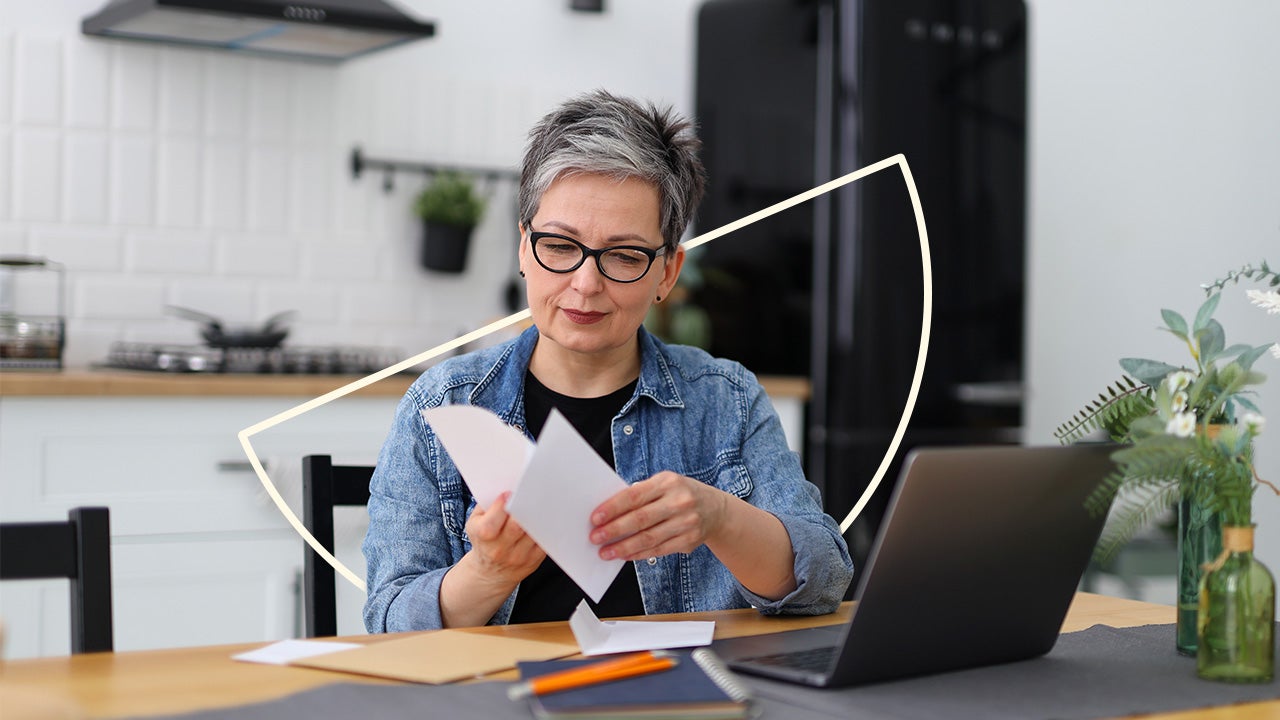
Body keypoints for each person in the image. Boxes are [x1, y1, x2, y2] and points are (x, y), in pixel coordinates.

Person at [363, 89, 853, 632]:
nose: (586, 283)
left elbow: (826, 581)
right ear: (524, 247)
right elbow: (389, 626)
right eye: (560, 246)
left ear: (667, 272)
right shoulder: (443, 404)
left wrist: (720, 517)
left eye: (624, 255)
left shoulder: (726, 399)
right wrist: (488, 570)